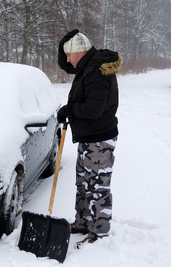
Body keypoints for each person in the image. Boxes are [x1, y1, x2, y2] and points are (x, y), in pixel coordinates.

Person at [56, 29, 122, 247]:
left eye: (69, 54)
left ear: (80, 52)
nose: (67, 60)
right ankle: (84, 222)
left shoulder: (95, 72)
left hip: (99, 139)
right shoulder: (86, 65)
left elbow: (93, 110)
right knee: (84, 184)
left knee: (96, 187)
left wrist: (69, 109)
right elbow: (65, 65)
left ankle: (99, 233)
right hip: (89, 137)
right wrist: (65, 41)